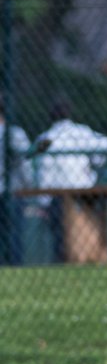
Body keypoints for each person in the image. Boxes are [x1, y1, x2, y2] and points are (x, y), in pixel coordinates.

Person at [33, 98, 107, 263]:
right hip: (83, 192)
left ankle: (63, 263)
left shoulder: (46, 138)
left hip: (58, 196)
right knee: (85, 235)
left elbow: (44, 174)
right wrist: (95, 163)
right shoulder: (81, 132)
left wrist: (43, 203)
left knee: (61, 242)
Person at [0, 98, 33, 265]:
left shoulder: (14, 134)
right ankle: (14, 268)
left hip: (11, 192)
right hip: (13, 193)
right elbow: (25, 164)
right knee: (13, 236)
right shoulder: (14, 133)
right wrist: (28, 186)